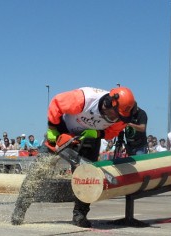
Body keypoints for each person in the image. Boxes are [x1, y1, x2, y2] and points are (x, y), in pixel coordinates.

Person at [11, 86, 136, 227]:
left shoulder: (123, 116)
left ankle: (80, 215)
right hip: (62, 129)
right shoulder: (84, 99)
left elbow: (112, 132)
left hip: (89, 137)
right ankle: (19, 211)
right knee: (38, 170)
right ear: (109, 103)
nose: (117, 119)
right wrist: (53, 128)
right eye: (115, 115)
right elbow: (56, 103)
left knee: (87, 178)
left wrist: (98, 134)